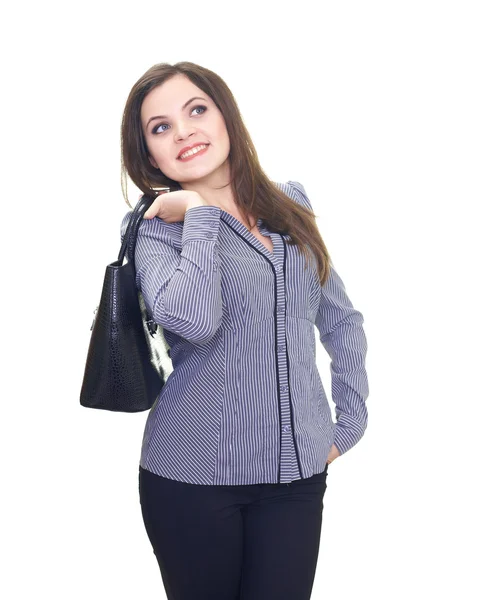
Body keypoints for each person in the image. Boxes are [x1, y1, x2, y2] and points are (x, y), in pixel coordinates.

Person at [119, 61, 369, 600]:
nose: (183, 130)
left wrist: (348, 423)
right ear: (149, 154)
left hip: (295, 476)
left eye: (196, 110)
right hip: (192, 478)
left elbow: (341, 318)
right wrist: (200, 214)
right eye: (160, 127)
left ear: (225, 115)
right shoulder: (156, 226)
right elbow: (195, 321)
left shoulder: (290, 203)